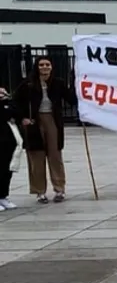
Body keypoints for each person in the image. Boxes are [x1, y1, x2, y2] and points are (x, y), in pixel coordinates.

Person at [13, 56, 77, 204]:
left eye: (47, 64)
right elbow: (16, 102)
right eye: (41, 65)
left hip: (52, 121)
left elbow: (72, 99)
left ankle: (59, 189)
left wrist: (78, 85)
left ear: (52, 67)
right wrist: (22, 118)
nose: (45, 67)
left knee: (55, 156)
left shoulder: (58, 83)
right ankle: (39, 191)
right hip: (35, 122)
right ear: (37, 67)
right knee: (36, 157)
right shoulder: (28, 84)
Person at [0, 88, 20, 211]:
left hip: (8, 140)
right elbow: (4, 115)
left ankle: (3, 196)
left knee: (7, 170)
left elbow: (15, 112)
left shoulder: (7, 102)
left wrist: (5, 100)